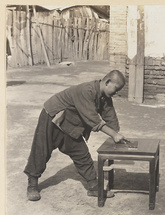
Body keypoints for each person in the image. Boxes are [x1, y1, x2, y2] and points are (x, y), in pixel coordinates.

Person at [24, 70, 126, 201]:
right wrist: (113, 134)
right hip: (52, 115)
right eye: (116, 89)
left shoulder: (105, 97)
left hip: (70, 122)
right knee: (41, 151)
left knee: (82, 154)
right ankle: (32, 185)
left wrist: (117, 135)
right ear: (107, 82)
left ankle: (94, 187)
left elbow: (111, 118)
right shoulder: (87, 90)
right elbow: (93, 120)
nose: (116, 93)